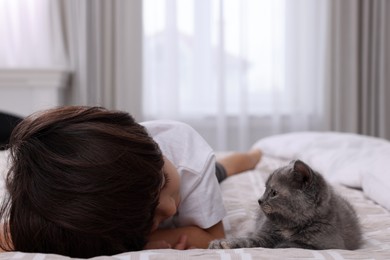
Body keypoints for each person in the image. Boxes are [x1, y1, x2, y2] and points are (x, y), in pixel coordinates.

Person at [0, 106, 261, 258]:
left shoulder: (187, 156)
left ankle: (251, 155)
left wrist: (154, 235)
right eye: (152, 218)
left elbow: (213, 240)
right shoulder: (70, 214)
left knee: (220, 169)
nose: (170, 209)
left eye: (163, 182)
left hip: (188, 172)